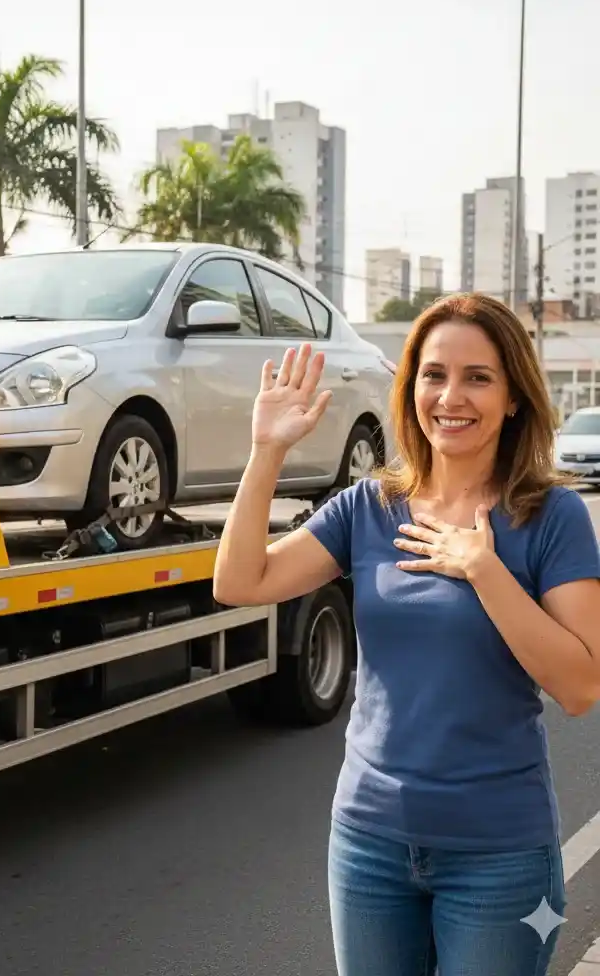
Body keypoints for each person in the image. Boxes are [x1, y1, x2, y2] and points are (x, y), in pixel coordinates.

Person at [213, 293, 600, 975]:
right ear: (411, 387)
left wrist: (485, 571)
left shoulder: (553, 516)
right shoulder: (370, 507)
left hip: (499, 854)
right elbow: (241, 582)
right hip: (370, 845)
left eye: (478, 377)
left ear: (514, 397)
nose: (451, 396)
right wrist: (266, 452)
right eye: (434, 373)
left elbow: (579, 685)